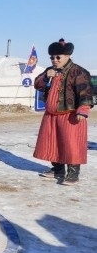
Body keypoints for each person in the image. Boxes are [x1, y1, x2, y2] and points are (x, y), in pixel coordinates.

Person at [33, 38, 93, 185]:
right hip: (51, 115)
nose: (55, 60)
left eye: (58, 57)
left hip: (70, 115)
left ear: (67, 56)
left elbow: (85, 92)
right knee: (52, 143)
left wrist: (83, 109)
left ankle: (73, 173)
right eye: (52, 57)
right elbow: (37, 84)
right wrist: (46, 76)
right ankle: (58, 169)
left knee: (71, 144)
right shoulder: (50, 71)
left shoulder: (78, 72)